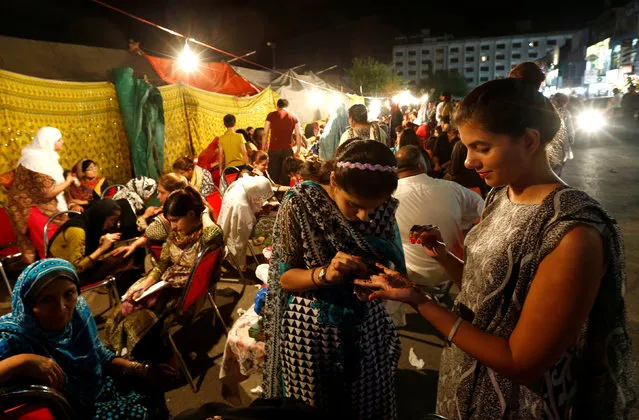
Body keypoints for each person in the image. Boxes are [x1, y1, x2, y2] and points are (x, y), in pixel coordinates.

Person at [356, 79, 635, 419]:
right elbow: (487, 293)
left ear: (530, 141)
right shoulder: (500, 196)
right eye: (467, 147)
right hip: (466, 385)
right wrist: (443, 256)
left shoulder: (572, 232)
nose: (470, 161)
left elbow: (522, 362)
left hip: (521, 405)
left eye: (482, 148)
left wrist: (419, 300)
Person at [262, 139, 404, 419]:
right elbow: (285, 279)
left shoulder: (382, 204)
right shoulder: (302, 203)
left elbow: (386, 260)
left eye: (373, 208)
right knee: (312, 410)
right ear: (334, 181)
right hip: (310, 335)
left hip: (366, 327)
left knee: (368, 405)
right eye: (354, 205)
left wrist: (378, 277)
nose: (365, 217)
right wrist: (325, 274)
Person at [0, 259, 169, 419]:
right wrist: (23, 361)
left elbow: (98, 353)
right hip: (68, 410)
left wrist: (139, 369)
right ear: (27, 304)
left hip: (97, 388)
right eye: (46, 299)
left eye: (69, 293)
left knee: (151, 393)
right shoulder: (13, 335)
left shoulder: (78, 312)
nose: (62, 307)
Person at [106, 187, 224, 358]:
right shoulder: (175, 236)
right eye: (170, 221)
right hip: (165, 283)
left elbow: (214, 235)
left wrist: (204, 213)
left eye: (176, 220)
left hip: (184, 295)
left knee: (134, 322)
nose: (173, 226)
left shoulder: (206, 237)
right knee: (124, 307)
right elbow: (161, 265)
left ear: (191, 214)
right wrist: (145, 285)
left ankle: (135, 361)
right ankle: (114, 354)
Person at [394, 145, 482, 289]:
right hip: (454, 269)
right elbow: (482, 210)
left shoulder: (389, 197)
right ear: (421, 166)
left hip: (412, 275)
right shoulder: (452, 188)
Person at [7, 127, 79, 263]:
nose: (63, 142)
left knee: (58, 243)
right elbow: (47, 193)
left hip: (42, 206)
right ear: (48, 142)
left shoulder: (44, 157)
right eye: (59, 140)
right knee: (49, 245)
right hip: (31, 208)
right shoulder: (37, 161)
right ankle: (53, 277)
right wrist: (68, 181)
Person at [111, 173, 189, 259]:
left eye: (162, 192)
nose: (158, 197)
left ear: (175, 193)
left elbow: (148, 233)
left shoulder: (168, 216)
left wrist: (145, 217)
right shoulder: (182, 205)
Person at [48, 199, 125, 286]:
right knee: (116, 262)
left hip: (73, 271)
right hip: (63, 277)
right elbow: (77, 268)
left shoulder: (90, 224)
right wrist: (102, 248)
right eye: (112, 220)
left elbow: (88, 251)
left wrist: (105, 245)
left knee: (121, 254)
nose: (112, 224)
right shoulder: (77, 231)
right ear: (101, 216)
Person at [217, 176, 273, 272]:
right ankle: (236, 266)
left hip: (229, 213)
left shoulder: (245, 183)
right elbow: (244, 225)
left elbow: (252, 200)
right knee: (237, 240)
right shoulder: (241, 204)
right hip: (237, 217)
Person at [263, 99, 303, 185]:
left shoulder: (270, 115)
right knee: (286, 175)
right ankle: (285, 194)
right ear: (287, 106)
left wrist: (263, 147)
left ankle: (274, 195)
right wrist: (298, 149)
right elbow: (298, 134)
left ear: (277, 106)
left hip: (273, 149)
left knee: (273, 175)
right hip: (287, 150)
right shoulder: (294, 117)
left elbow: (265, 133)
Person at [112, 176, 158, 240]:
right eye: (150, 194)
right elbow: (129, 228)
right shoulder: (123, 201)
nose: (150, 197)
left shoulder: (136, 201)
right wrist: (145, 216)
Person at [548, 93, 575, 177]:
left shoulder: (548, 111)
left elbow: (570, 128)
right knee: (557, 165)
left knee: (554, 165)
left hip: (553, 143)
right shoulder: (565, 113)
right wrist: (571, 138)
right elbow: (570, 128)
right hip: (558, 143)